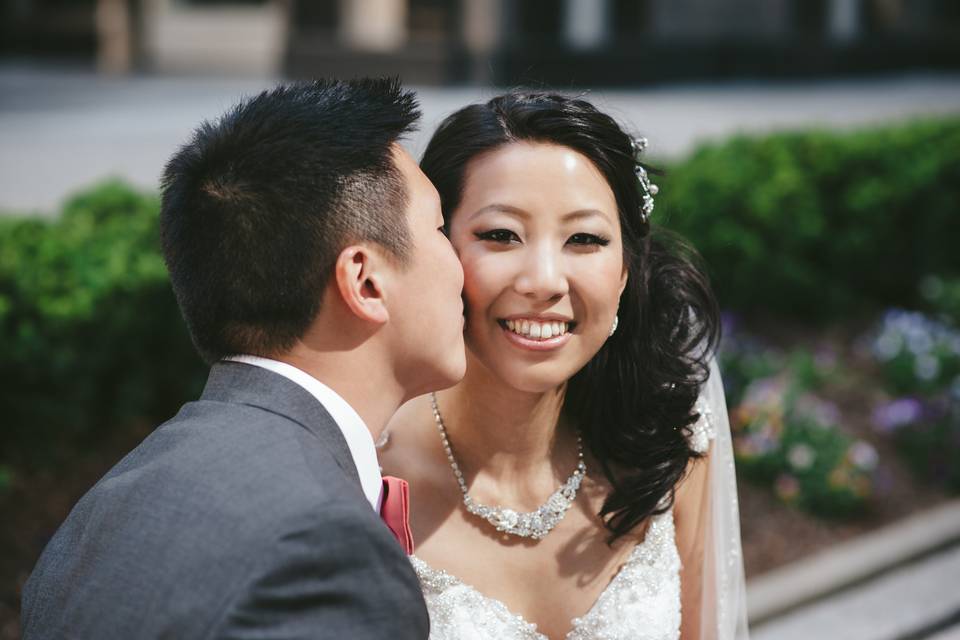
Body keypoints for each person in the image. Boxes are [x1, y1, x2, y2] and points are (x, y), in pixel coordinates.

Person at [20, 78, 466, 639]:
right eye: (440, 229)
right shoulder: (323, 549)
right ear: (365, 280)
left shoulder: (108, 502)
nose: (462, 267)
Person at [379, 92, 749, 640]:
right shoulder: (366, 470)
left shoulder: (672, 439)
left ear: (625, 272)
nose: (544, 281)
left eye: (584, 239)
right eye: (501, 235)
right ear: (437, 251)